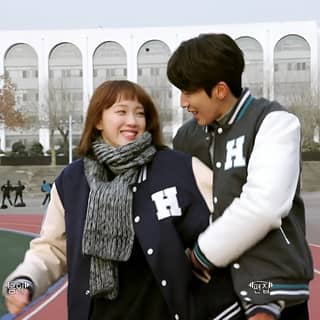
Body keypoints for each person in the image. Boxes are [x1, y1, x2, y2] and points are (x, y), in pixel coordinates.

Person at [2, 80, 245, 320]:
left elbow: (239, 220)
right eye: (121, 111)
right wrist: (18, 285)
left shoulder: (181, 168)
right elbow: (51, 249)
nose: (132, 121)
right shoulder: (72, 181)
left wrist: (260, 290)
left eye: (140, 114)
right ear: (98, 120)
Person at [167, 33, 314, 320]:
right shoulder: (187, 137)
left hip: (270, 285)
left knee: (263, 299)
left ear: (220, 90)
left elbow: (264, 206)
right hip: (218, 293)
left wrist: (200, 254)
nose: (183, 101)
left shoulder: (273, 122)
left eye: (188, 91)